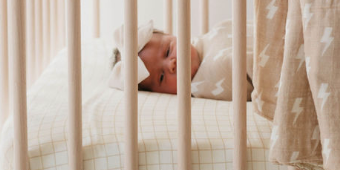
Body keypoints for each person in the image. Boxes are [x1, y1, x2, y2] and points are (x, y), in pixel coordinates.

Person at [107, 17, 253, 100]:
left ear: (172, 35)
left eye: (168, 51)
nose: (171, 64)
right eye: (162, 77)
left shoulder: (206, 37)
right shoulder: (206, 82)